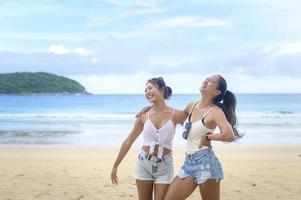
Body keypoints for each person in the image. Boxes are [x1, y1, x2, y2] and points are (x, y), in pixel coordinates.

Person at [164, 74, 241, 200]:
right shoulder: (192, 105)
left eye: (211, 81)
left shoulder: (215, 112)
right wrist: (152, 109)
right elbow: (175, 116)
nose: (206, 80)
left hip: (206, 164)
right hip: (188, 163)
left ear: (217, 92)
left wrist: (208, 138)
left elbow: (229, 135)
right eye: (206, 79)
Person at [111, 77, 186, 200]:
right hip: (143, 163)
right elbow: (129, 141)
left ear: (162, 89)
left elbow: (194, 124)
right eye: (145, 90)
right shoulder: (143, 115)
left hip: (165, 166)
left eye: (150, 88)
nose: (147, 92)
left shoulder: (176, 114)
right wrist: (115, 165)